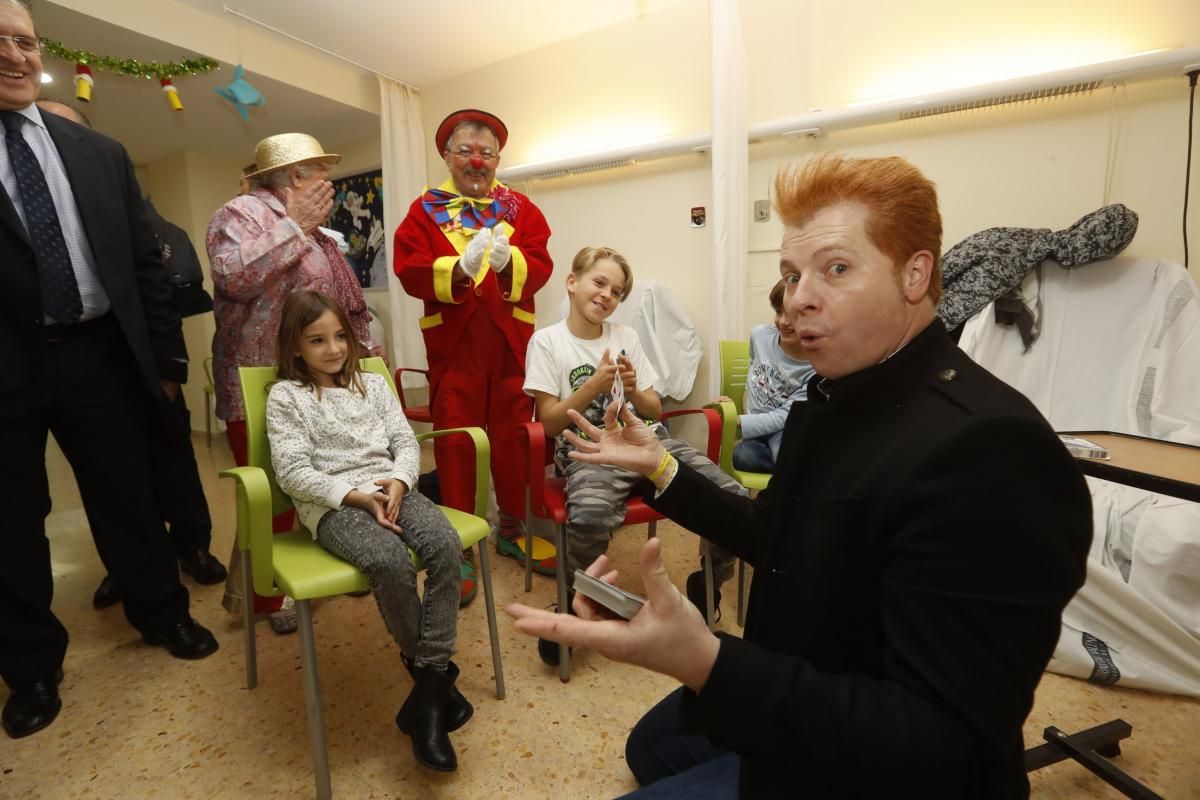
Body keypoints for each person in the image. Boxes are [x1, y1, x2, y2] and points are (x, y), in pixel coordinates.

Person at [507, 154, 1093, 798]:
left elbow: (946, 750)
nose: (797, 299)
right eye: (791, 274)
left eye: (836, 268)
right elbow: (778, 534)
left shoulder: (991, 451)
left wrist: (709, 662)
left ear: (915, 275)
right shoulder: (839, 395)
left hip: (868, 765)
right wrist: (660, 465)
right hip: (800, 667)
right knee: (649, 747)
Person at [0, 0, 218, 740]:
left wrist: (164, 361)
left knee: (128, 496)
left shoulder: (99, 153)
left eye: (25, 41)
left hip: (99, 355)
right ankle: (30, 666)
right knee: (10, 521)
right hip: (5, 366)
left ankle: (161, 613)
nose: (16, 56)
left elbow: (144, 268)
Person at [33, 98, 228, 608]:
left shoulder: (142, 215)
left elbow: (167, 285)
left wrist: (170, 366)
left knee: (173, 459)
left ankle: (193, 546)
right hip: (86, 364)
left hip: (146, 361)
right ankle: (130, 568)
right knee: (112, 482)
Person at [266, 291, 468, 772]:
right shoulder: (286, 397)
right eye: (317, 340)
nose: (334, 348)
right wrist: (356, 496)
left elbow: (405, 442)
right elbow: (292, 472)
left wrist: (399, 481)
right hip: (335, 504)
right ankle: (437, 690)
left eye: (340, 336)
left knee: (446, 545)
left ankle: (428, 692)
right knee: (387, 560)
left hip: (392, 489)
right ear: (295, 346)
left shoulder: (373, 384)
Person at [522, 246, 746, 664]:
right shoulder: (547, 341)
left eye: (617, 292)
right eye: (600, 283)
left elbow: (654, 411)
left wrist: (634, 389)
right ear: (572, 282)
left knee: (731, 496)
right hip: (590, 450)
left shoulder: (626, 337)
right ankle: (577, 602)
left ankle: (707, 585)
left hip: (647, 442)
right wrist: (593, 385)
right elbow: (549, 423)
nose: (607, 295)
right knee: (589, 515)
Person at [207, 132, 381, 632]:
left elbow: (333, 302)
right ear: (294, 177)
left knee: (329, 476)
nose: (329, 181)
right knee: (271, 495)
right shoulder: (238, 213)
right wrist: (294, 225)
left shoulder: (318, 233)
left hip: (318, 382)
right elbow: (233, 277)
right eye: (321, 171)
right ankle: (267, 596)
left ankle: (335, 562)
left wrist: (362, 351)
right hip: (259, 384)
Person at [394, 108, 557, 602]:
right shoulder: (424, 210)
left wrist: (513, 263)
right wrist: (456, 270)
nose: (476, 160)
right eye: (465, 151)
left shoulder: (520, 208)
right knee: (457, 444)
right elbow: (408, 267)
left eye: (486, 152)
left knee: (512, 436)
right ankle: (459, 544)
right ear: (448, 157)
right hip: (454, 347)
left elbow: (542, 261)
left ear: (498, 160)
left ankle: (511, 528)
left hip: (510, 345)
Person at [718, 278, 815, 473]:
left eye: (792, 315)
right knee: (743, 455)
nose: (783, 322)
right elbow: (753, 364)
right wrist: (744, 397)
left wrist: (737, 420)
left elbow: (785, 417)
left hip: (784, 429)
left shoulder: (815, 368)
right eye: (779, 311)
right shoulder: (760, 335)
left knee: (791, 456)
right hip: (755, 430)